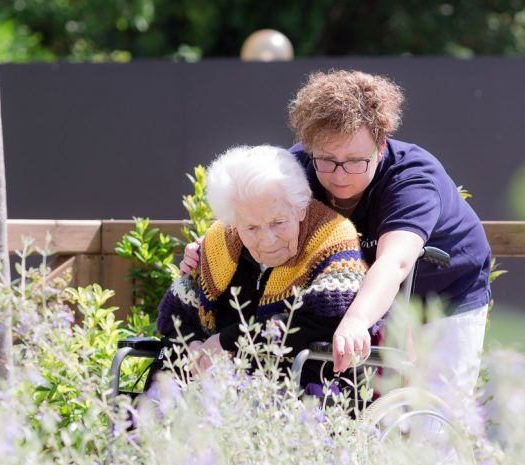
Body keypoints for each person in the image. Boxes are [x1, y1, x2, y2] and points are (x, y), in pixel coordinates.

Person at [182, 70, 491, 426]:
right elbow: (255, 211)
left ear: (381, 144)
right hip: (365, 292)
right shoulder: (298, 166)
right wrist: (211, 245)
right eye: (327, 160)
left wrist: (356, 321)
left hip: (444, 291)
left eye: (356, 161)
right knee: (364, 413)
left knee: (436, 417)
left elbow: (395, 263)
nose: (340, 174)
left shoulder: (412, 179)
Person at [158, 144, 375, 396]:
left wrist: (228, 340)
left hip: (303, 390)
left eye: (278, 222)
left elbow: (325, 321)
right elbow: (175, 317)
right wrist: (192, 344)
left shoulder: (332, 238)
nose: (268, 240)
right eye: (251, 228)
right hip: (217, 391)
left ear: (301, 207)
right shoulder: (220, 241)